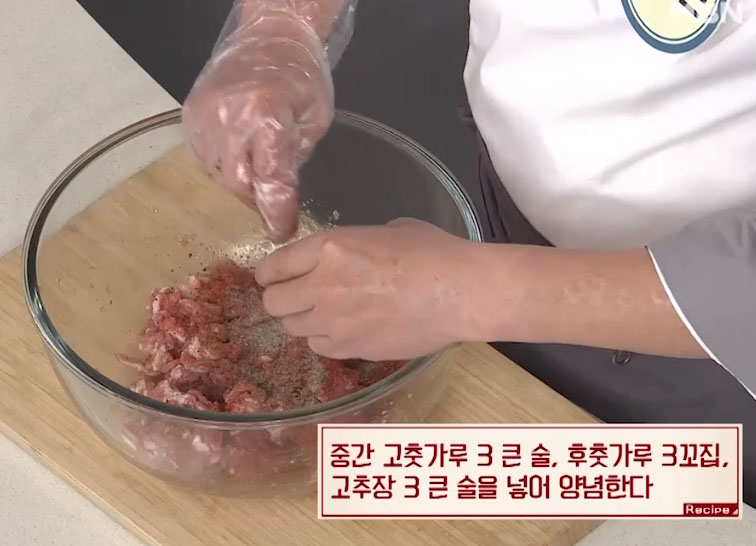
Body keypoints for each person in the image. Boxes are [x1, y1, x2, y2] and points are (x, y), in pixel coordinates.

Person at [183, 0, 756, 504]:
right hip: (504, 222)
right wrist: (281, 25)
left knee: (666, 512)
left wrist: (467, 294)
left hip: (715, 362)